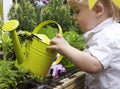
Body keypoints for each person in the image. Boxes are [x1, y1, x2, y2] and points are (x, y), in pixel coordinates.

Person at [47, 0, 120, 89]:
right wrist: (66, 52)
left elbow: (93, 64)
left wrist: (67, 49)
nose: (74, 17)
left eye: (77, 11)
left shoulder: (108, 36)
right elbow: (88, 58)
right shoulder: (109, 32)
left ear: (98, 10)